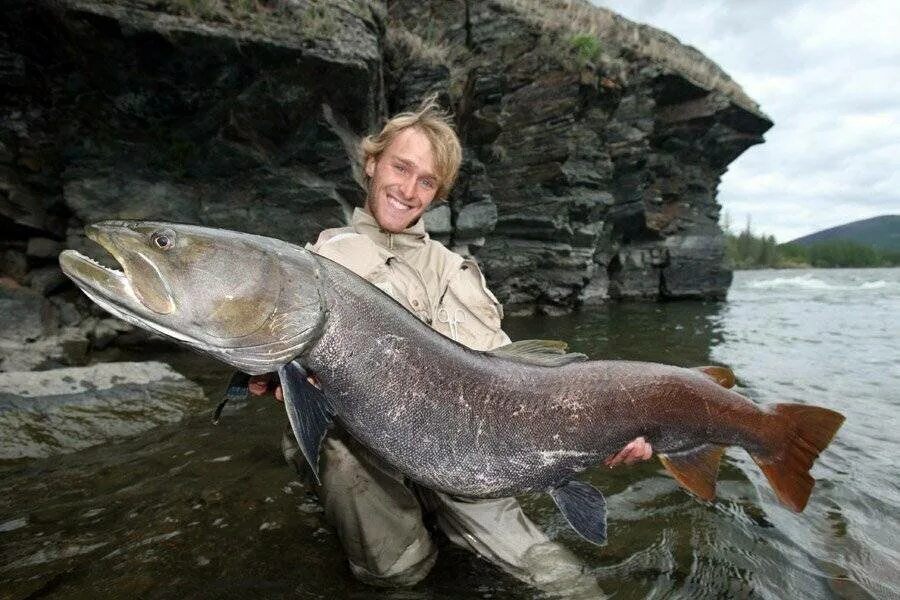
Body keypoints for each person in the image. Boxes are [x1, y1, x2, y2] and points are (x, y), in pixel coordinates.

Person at [249, 97, 652, 593]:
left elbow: (516, 382)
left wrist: (609, 430)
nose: (408, 190)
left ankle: (448, 518)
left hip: (469, 458)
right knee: (400, 575)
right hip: (368, 454)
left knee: (566, 581)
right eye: (401, 167)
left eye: (427, 181)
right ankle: (402, 540)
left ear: (437, 195)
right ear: (372, 163)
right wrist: (268, 376)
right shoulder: (311, 270)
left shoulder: (457, 271)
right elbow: (268, 366)